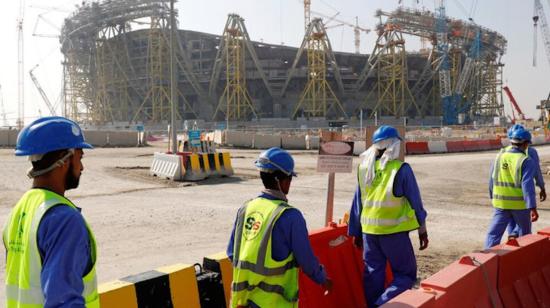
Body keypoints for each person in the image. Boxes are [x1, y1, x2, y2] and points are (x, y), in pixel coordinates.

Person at [3, 116, 99, 307]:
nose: (82, 167)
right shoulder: (64, 220)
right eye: (79, 157)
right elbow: (63, 301)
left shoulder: (20, 209)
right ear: (65, 160)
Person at [227, 147, 332, 307]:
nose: (290, 182)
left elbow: (231, 253)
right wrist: (323, 279)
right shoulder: (290, 216)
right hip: (274, 303)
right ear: (280, 180)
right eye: (289, 178)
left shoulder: (246, 208)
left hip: (243, 301)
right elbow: (307, 261)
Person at [348, 125, 429, 307]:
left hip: (369, 233)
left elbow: (357, 203)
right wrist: (422, 231)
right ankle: (381, 304)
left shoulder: (363, 169)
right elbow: (416, 203)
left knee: (373, 275)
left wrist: (356, 232)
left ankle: (373, 304)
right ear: (394, 145)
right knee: (406, 275)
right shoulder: (401, 169)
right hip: (394, 234)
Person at [485, 126, 538, 248]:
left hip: (501, 204)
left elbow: (491, 178)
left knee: (493, 234)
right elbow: (527, 185)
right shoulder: (525, 160)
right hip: (519, 205)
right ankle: (522, 260)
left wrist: (492, 196)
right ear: (525, 144)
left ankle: (487, 257)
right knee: (525, 236)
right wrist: (532, 207)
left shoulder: (499, 156)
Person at [505, 124, 546, 239]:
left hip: (506, 194)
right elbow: (537, 172)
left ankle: (513, 239)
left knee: (511, 220)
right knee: (523, 221)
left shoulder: (504, 152)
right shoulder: (531, 151)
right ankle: (517, 236)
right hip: (521, 194)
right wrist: (542, 187)